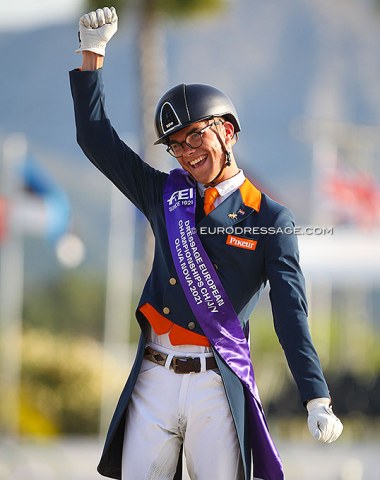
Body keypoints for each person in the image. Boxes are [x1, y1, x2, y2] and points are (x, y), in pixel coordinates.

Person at [69, 7, 343, 480]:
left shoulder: (270, 218)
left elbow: (290, 313)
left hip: (214, 383)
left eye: (196, 135)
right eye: (176, 145)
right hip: (154, 376)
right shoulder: (164, 194)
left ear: (228, 130)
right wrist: (93, 55)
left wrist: (316, 395)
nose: (188, 153)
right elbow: (97, 140)